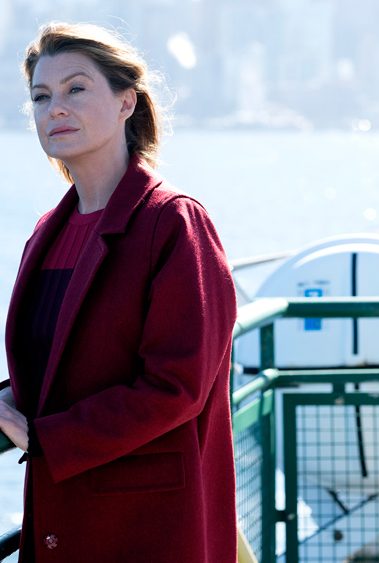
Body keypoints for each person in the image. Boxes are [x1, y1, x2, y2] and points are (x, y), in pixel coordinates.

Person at [0, 22, 238, 562]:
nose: (55, 109)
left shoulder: (174, 222)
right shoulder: (47, 232)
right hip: (61, 524)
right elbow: (63, 363)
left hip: (146, 529)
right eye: (41, 96)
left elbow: (176, 386)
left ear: (126, 101)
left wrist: (45, 438)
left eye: (76, 88)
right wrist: (10, 401)